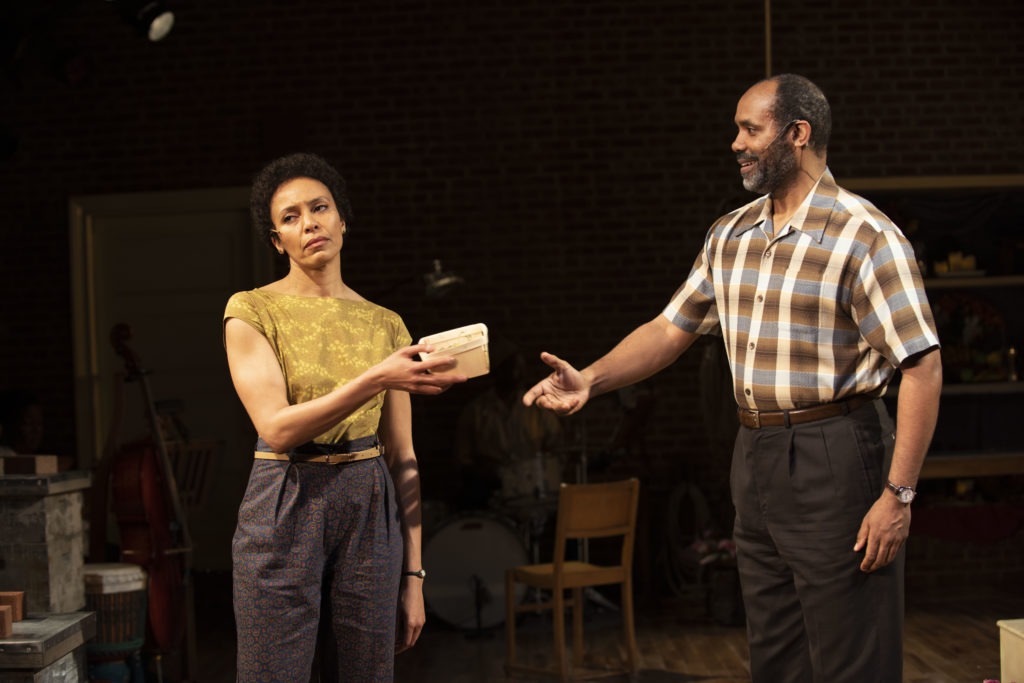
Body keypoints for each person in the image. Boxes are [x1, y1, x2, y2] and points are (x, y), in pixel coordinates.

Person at [523, 74, 942, 683]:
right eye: (736, 129)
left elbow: (922, 366)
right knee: (775, 651)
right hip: (757, 452)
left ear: (797, 135)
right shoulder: (731, 234)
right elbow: (671, 329)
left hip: (838, 449)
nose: (736, 143)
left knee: (851, 652)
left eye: (751, 129)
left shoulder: (864, 235)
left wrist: (898, 495)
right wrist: (591, 378)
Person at [223, 152, 467, 682]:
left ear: (342, 220)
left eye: (320, 208)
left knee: (366, 674)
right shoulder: (252, 310)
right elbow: (277, 427)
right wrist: (377, 378)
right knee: (273, 673)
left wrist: (415, 576)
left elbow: (404, 456)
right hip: (285, 494)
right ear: (275, 240)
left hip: (368, 496)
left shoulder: (385, 323)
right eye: (290, 217)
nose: (309, 222)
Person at [454, 345, 562, 509]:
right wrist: (489, 473)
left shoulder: (539, 408)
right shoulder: (475, 411)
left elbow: (557, 449)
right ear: (496, 371)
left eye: (520, 368)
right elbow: (463, 460)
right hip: (491, 492)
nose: (516, 374)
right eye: (510, 368)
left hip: (534, 490)